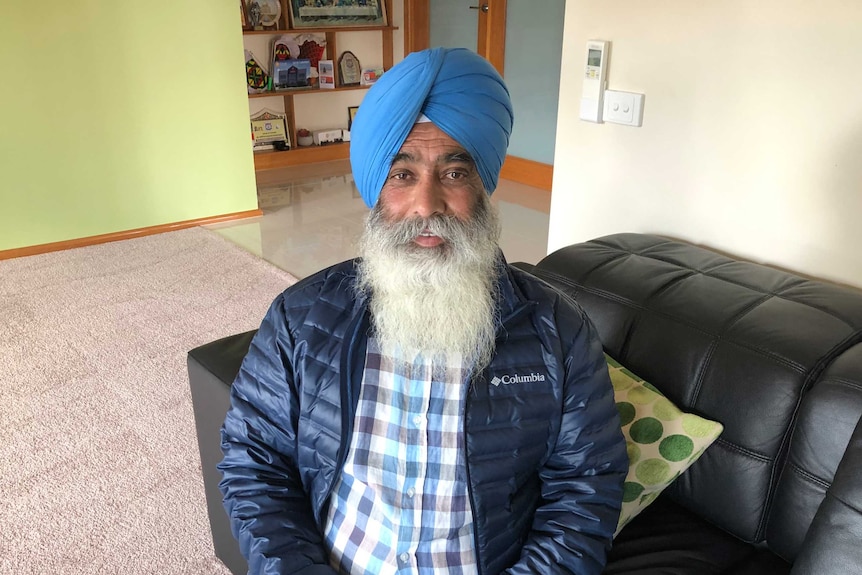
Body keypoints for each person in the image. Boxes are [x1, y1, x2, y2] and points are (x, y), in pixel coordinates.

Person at [218, 47, 628, 575]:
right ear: (375, 191)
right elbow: (254, 465)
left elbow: (585, 488)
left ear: (484, 186)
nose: (427, 204)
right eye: (402, 175)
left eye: (454, 173)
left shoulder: (557, 330)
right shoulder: (300, 317)